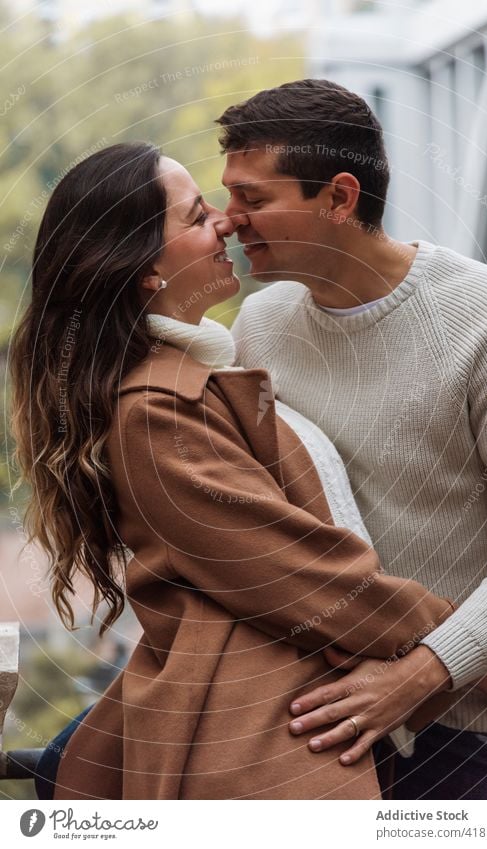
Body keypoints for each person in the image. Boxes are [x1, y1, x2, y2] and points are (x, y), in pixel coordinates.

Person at [10, 141, 463, 800]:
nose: (223, 221)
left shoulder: (191, 381)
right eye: (196, 217)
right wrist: (459, 639)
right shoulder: (156, 412)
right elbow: (297, 571)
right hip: (260, 748)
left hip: (273, 721)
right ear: (145, 270)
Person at [219, 78, 487, 799]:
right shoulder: (257, 330)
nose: (229, 220)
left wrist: (430, 666)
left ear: (338, 197)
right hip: (324, 726)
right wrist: (433, 632)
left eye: (254, 199)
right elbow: (253, 525)